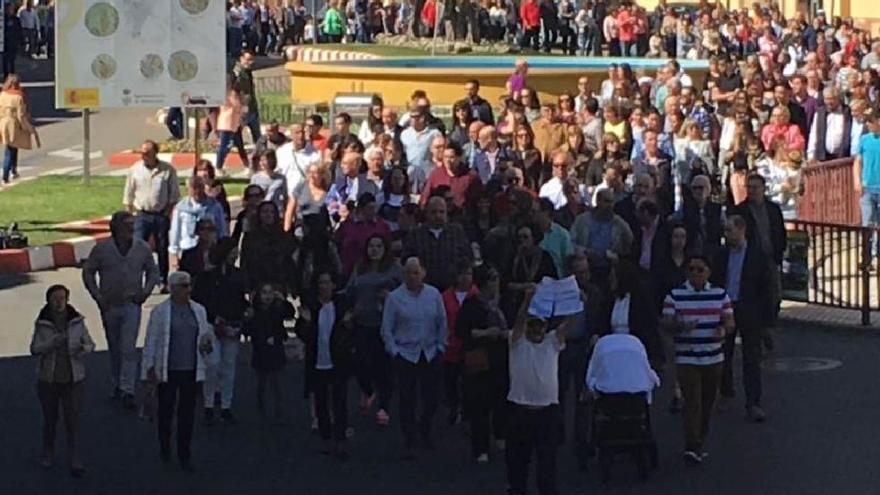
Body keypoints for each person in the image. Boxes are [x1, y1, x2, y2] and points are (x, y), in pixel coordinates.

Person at [82, 211, 160, 409]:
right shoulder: (102, 249)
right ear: (115, 228)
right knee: (115, 347)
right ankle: (116, 383)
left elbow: (153, 272)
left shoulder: (141, 248)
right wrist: (97, 296)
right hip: (109, 305)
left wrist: (145, 293)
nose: (130, 230)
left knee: (128, 348)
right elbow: (88, 272)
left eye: (132, 226)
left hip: (131, 304)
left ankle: (127, 390)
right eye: (126, 226)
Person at [662, 255, 734, 464]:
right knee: (692, 401)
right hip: (687, 357)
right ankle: (692, 444)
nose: (695, 273)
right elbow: (666, 324)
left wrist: (722, 329)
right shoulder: (674, 296)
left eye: (699, 270)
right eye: (691, 269)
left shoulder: (720, 294)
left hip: (713, 357)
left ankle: (699, 440)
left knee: (708, 402)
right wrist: (681, 326)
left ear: (708, 272)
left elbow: (729, 322)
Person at [142, 271, 216, 472]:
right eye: (183, 286)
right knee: (165, 411)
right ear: (172, 288)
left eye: (189, 285)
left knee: (187, 414)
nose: (187, 290)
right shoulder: (160, 312)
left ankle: (185, 453)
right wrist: (149, 369)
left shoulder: (199, 310)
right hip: (168, 370)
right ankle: (165, 447)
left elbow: (205, 335)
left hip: (191, 369)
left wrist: (207, 346)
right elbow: (151, 341)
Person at [505, 286, 574, 495]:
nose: (537, 330)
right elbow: (518, 323)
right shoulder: (516, 341)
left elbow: (568, 324)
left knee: (548, 465)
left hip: (546, 413)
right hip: (520, 410)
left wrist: (574, 303)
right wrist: (527, 302)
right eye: (533, 326)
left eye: (541, 326)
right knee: (517, 463)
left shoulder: (553, 342)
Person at [381, 257, 447, 459]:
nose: (412, 276)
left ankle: (425, 430)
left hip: (429, 352)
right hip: (406, 354)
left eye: (416, 273)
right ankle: (410, 439)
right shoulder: (394, 298)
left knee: (432, 399)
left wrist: (441, 346)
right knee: (407, 399)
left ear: (423, 273)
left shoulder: (434, 294)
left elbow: (442, 322)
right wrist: (394, 352)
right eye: (408, 273)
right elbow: (387, 328)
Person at [30, 284, 95, 478]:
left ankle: (74, 456)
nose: (59, 302)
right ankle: (48, 451)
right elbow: (34, 349)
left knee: (72, 419)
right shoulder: (43, 323)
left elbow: (90, 343)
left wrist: (82, 350)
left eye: (62, 298)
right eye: (55, 299)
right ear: (49, 301)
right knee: (50, 419)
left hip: (73, 378)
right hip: (48, 379)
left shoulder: (76, 322)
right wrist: (52, 344)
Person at [712, 215, 773, 422]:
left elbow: (766, 287)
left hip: (749, 309)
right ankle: (726, 392)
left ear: (741, 229)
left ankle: (753, 402)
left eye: (730, 230)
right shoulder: (721, 255)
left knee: (751, 357)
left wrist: (766, 318)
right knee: (724, 353)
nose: (726, 234)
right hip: (726, 307)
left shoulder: (756, 255)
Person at [346, 234, 402, 426]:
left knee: (384, 368)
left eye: (379, 246)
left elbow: (405, 293)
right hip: (362, 321)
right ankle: (368, 390)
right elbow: (349, 291)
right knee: (359, 363)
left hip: (384, 324)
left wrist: (391, 296)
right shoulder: (360, 268)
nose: (375, 250)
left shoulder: (394, 269)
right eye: (371, 246)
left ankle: (383, 408)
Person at [298, 270, 355, 458]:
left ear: (334, 285)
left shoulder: (341, 306)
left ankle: (340, 437)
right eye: (321, 283)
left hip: (338, 360)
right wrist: (304, 323)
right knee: (321, 401)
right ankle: (326, 437)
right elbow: (304, 335)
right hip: (318, 360)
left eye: (327, 283)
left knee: (339, 400)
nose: (324, 287)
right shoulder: (312, 307)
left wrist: (348, 326)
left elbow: (349, 332)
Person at [456, 264, 509, 463]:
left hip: (500, 357)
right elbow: (462, 331)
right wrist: (487, 333)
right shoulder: (471, 304)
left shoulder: (502, 303)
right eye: (493, 279)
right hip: (479, 358)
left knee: (501, 399)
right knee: (480, 405)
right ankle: (481, 447)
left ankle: (501, 434)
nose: (497, 283)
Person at [192, 239, 248, 425]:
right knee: (212, 364)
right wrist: (213, 317)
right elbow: (199, 300)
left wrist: (243, 315)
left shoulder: (238, 275)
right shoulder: (207, 277)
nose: (236, 254)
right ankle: (209, 403)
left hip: (232, 324)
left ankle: (226, 405)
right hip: (211, 324)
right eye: (233, 251)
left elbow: (241, 300)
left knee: (229, 366)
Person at [123, 140, 180, 289]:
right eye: (142, 153)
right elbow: (128, 195)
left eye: (147, 153)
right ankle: (136, 280)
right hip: (141, 215)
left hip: (160, 215)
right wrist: (129, 216)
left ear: (155, 153)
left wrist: (167, 213)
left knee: (162, 248)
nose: (144, 155)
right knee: (137, 248)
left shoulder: (167, 170)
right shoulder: (135, 170)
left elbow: (174, 196)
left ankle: (163, 280)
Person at [244, 281, 295, 421]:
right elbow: (248, 330)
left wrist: (284, 301)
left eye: (270, 292)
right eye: (264, 293)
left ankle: (278, 410)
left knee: (276, 381)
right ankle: (261, 405)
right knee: (262, 381)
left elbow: (290, 313)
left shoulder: (278, 309)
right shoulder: (255, 311)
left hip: (275, 349)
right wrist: (248, 320)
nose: (267, 296)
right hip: (261, 349)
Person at [403, 196, 472, 290]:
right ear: (426, 213)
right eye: (434, 212)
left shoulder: (457, 232)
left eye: (441, 212)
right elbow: (407, 260)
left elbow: (466, 257)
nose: (438, 215)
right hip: (423, 289)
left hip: (452, 290)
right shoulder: (415, 234)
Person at [441, 259, 478, 428]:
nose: (465, 278)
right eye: (462, 274)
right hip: (451, 347)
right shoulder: (445, 297)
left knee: (470, 384)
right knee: (451, 383)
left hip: (471, 347)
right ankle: (453, 408)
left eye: (469, 274)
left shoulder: (477, 295)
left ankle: (467, 414)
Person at [168, 176, 228, 271]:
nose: (196, 192)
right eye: (193, 188)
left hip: (209, 251)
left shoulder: (215, 206)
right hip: (187, 250)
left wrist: (223, 248)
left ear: (203, 187)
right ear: (188, 190)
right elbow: (175, 232)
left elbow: (221, 229)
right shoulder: (181, 208)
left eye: (199, 187)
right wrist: (174, 254)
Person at [0, 73, 37, 184]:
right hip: (13, 123)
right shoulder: (18, 97)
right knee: (11, 149)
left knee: (12, 147)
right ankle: (6, 175)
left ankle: (13, 171)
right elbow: (21, 115)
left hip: (3, 122)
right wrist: (28, 127)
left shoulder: (2, 95)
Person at [855, 110, 880, 256]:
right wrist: (857, 180)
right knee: (867, 224)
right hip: (867, 187)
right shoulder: (864, 139)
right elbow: (858, 161)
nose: (868, 124)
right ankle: (866, 256)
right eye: (867, 122)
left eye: (871, 121)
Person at [215, 85, 249, 173]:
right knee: (223, 147)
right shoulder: (229, 93)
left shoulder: (234, 94)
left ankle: (247, 166)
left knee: (240, 146)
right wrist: (243, 106)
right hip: (227, 124)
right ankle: (219, 167)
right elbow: (236, 106)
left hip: (234, 124)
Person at [231, 49, 261, 144]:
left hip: (251, 108)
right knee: (237, 137)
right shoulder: (237, 72)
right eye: (247, 60)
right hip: (241, 110)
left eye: (251, 60)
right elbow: (234, 90)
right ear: (241, 59)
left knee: (258, 138)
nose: (250, 62)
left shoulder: (248, 72)